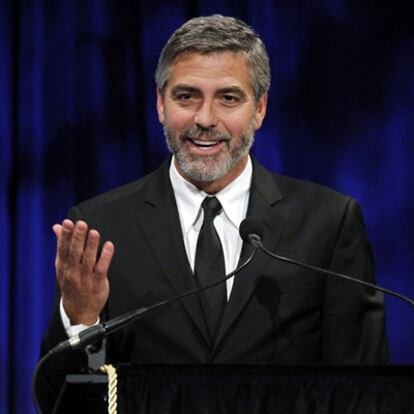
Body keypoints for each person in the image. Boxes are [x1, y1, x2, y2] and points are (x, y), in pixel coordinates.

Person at [39, 14, 389, 413]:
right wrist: (82, 320)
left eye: (228, 98)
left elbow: (368, 394)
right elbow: (56, 402)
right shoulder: (102, 227)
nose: (205, 119)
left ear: (259, 108)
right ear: (159, 103)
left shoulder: (328, 223)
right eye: (186, 96)